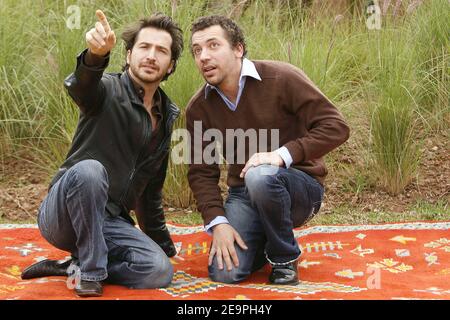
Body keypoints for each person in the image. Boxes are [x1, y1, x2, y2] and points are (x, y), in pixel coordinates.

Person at [21, 10, 184, 297]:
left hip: (109, 221)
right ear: (129, 54)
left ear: (170, 66)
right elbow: (81, 86)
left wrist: (162, 247)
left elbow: (150, 192)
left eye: (161, 51)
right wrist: (95, 57)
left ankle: (74, 265)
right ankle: (91, 272)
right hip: (64, 213)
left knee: (158, 270)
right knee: (90, 170)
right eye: (144, 47)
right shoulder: (106, 89)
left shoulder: (166, 117)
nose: (151, 56)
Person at [186, 15, 350, 285]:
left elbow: (336, 126)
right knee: (225, 273)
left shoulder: (281, 78)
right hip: (244, 194)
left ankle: (284, 257)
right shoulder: (199, 108)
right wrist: (218, 222)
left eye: (213, 45)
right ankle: (263, 239)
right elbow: (201, 171)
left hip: (299, 187)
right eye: (197, 50)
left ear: (238, 49)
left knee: (261, 175)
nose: (203, 56)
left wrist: (282, 155)